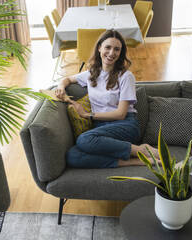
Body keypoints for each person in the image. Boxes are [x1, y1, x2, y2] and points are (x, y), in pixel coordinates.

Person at [55, 29, 159, 168]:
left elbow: (120, 114)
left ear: (121, 53)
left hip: (125, 125)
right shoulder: (91, 73)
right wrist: (61, 87)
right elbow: (67, 79)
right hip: (101, 128)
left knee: (84, 140)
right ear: (99, 48)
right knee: (72, 156)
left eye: (117, 49)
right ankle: (135, 161)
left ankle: (141, 150)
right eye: (108, 47)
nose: (111, 53)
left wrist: (87, 115)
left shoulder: (126, 76)